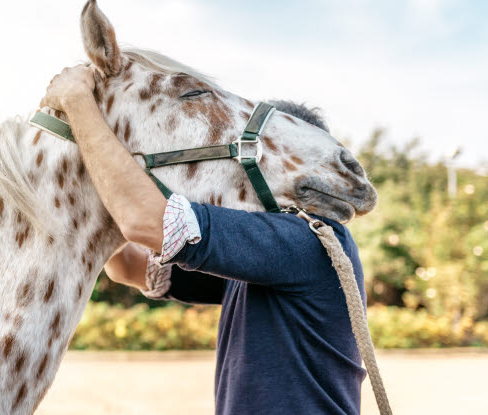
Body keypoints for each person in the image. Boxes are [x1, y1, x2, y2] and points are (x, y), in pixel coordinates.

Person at [41, 65, 367, 415]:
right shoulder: (261, 265)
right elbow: (129, 267)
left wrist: (79, 104)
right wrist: (106, 167)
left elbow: (144, 221)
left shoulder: (305, 242)